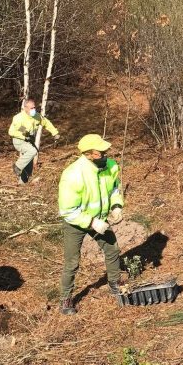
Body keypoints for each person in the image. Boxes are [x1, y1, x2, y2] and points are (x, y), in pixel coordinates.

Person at [57, 133, 125, 315]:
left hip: (100, 219)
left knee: (112, 249)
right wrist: (91, 222)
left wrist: (117, 205)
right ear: (89, 154)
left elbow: (115, 188)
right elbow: (67, 210)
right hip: (76, 222)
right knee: (72, 262)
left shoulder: (110, 166)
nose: (106, 154)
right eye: (101, 152)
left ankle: (114, 283)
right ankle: (66, 299)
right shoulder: (73, 174)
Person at [8, 98, 59, 184]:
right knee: (33, 151)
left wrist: (55, 133)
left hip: (29, 141)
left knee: (29, 163)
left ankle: (22, 184)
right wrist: (25, 135)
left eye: (34, 107)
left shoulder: (37, 116)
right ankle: (17, 166)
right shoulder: (18, 118)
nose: (33, 110)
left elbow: (46, 123)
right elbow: (11, 131)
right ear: (25, 108)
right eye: (31, 108)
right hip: (19, 141)